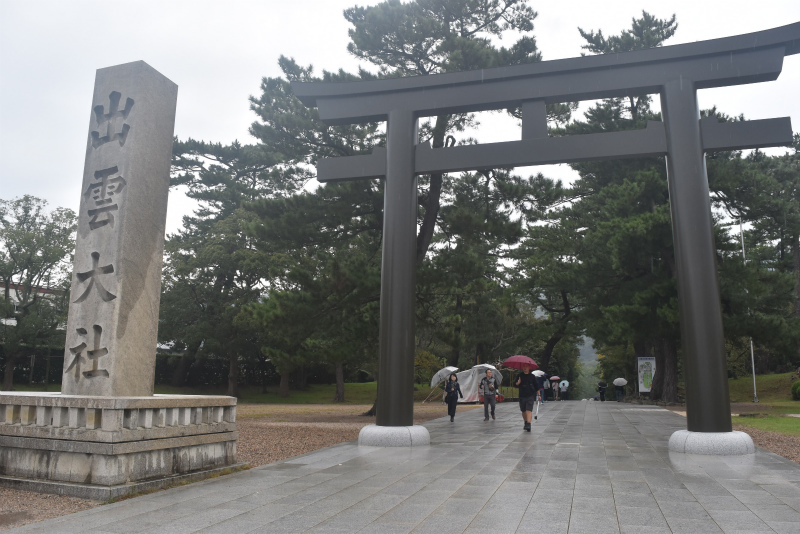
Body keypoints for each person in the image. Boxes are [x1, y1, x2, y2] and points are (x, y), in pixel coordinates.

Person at [514, 364, 539, 432]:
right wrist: (518, 383)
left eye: (526, 367)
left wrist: (539, 395)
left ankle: (528, 424)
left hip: (530, 395)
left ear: (529, 368)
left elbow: (536, 386)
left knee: (529, 410)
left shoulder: (532, 376)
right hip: (522, 395)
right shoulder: (520, 376)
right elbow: (515, 385)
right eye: (524, 366)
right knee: (523, 410)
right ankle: (526, 422)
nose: (525, 368)